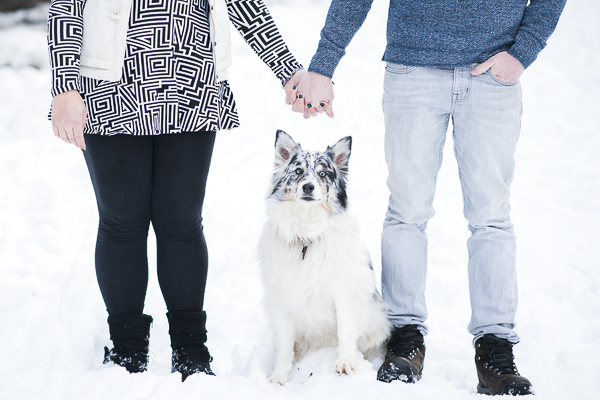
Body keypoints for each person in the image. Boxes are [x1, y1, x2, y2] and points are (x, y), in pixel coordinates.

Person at [294, 0, 566, 395]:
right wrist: (323, 64)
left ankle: (495, 347)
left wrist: (524, 51)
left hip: (493, 74)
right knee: (407, 212)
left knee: (491, 216)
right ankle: (405, 337)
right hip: (413, 71)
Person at [47, 0, 304, 381]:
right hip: (107, 87)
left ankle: (191, 350)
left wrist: (288, 70)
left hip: (192, 83)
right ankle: (127, 350)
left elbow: (245, 5)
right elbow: (65, 8)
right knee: (122, 223)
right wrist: (65, 87)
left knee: (181, 222)